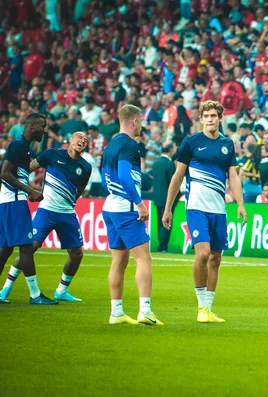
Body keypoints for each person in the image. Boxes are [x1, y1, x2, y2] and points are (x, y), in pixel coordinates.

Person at [162, 100, 247, 323]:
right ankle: (201, 307)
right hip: (196, 208)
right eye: (206, 116)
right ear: (201, 119)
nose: (210, 119)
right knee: (202, 254)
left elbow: (234, 176)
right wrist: (169, 208)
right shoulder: (191, 143)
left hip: (218, 210)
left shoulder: (227, 144)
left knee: (216, 259)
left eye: (214, 115)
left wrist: (240, 204)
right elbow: (178, 176)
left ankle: (208, 309)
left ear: (220, 118)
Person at [0, 132, 91, 303]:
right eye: (79, 137)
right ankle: (6, 288)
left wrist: (67, 200)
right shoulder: (52, 154)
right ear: (70, 139)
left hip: (67, 213)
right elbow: (28, 169)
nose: (82, 141)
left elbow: (80, 189)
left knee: (77, 253)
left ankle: (62, 291)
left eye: (85, 140)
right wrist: (29, 189)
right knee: (29, 248)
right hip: (46, 211)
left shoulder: (85, 166)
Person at [101, 105, 162, 326]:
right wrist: (139, 204)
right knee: (144, 258)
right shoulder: (129, 144)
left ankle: (116, 312)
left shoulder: (111, 145)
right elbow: (125, 176)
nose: (142, 125)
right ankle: (145, 310)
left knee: (119, 261)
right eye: (141, 121)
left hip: (110, 207)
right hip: (126, 210)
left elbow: (104, 174)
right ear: (135, 121)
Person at [0, 113, 55, 305]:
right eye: (43, 126)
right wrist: (29, 190)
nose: (44, 130)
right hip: (13, 201)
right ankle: (35, 295)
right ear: (32, 127)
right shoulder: (18, 145)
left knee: (5, 249)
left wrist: (28, 191)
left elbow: (15, 174)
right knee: (25, 247)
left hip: (10, 200)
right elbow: (5, 173)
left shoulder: (23, 146)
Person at [152, 144, 177, 252]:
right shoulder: (169, 164)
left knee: (159, 222)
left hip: (157, 197)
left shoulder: (155, 164)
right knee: (167, 222)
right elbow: (173, 183)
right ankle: (163, 246)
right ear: (170, 150)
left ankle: (160, 244)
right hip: (167, 199)